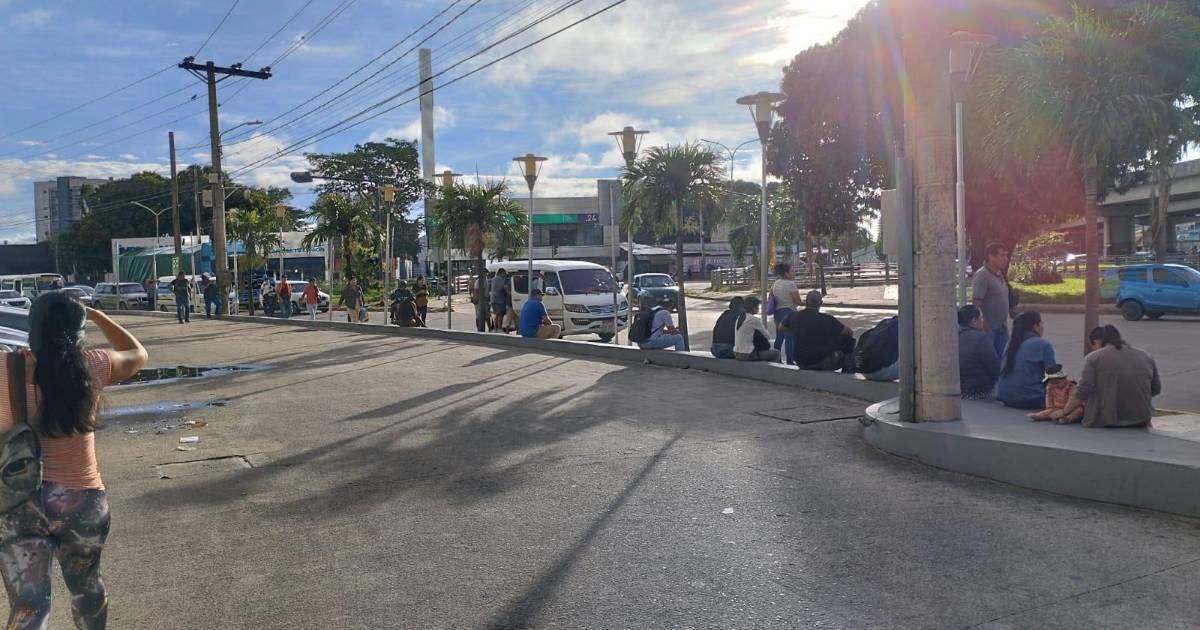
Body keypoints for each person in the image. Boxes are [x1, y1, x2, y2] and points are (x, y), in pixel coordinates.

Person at [0, 293, 148, 629]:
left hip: (18, 504)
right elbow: (137, 352)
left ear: (31, 329)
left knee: (29, 604)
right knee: (87, 590)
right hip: (83, 502)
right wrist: (97, 315)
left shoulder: (4, 367)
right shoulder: (93, 365)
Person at [1062, 325, 1161, 428]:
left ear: (1096, 342)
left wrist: (1064, 412)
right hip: (1141, 419)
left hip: (1105, 421)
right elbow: (1156, 389)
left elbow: (1083, 391)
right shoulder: (1146, 355)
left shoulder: (1093, 358)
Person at [996, 311, 1057, 409]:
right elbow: (1054, 377)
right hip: (1031, 398)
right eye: (1041, 323)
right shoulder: (1043, 345)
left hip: (1005, 396)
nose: (1043, 327)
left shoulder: (1010, 343)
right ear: (1035, 326)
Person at [782, 290, 855, 371]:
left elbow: (781, 328)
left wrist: (797, 328)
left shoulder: (794, 316)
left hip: (801, 361)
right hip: (821, 361)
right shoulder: (827, 319)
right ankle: (847, 371)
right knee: (848, 341)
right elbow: (849, 332)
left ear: (806, 302)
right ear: (821, 303)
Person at [972, 242, 1012, 359]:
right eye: (1002, 255)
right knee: (992, 360)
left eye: (1006, 255)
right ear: (991, 256)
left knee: (1004, 359)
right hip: (989, 329)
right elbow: (977, 301)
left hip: (1002, 327)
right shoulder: (982, 275)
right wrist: (983, 324)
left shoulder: (999, 274)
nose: (1006, 259)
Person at [957, 305, 1001, 399]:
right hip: (979, 390)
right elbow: (994, 368)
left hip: (959, 389)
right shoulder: (981, 338)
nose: (983, 320)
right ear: (974, 321)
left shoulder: (952, 336)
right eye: (981, 317)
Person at [770, 263, 803, 364]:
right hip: (788, 312)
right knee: (789, 338)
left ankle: (777, 359)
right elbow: (797, 301)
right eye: (792, 271)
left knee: (779, 337)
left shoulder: (776, 283)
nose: (794, 272)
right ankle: (790, 360)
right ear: (786, 273)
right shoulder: (791, 284)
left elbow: (771, 296)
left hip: (777, 312)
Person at [734, 296, 780, 362]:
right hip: (747, 354)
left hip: (737, 353)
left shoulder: (740, 317)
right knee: (776, 353)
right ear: (754, 308)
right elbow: (767, 336)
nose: (759, 308)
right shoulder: (753, 319)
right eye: (758, 306)